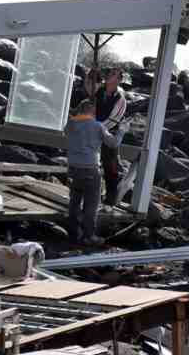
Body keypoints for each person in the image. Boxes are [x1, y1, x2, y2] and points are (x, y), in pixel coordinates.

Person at [65, 99, 129, 246]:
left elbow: (69, 132)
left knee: (74, 201)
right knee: (91, 205)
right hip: (90, 169)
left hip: (73, 169)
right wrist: (122, 131)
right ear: (93, 112)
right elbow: (113, 143)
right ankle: (89, 236)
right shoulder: (98, 126)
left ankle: (74, 233)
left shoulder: (70, 124)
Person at [83, 67, 127, 205]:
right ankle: (88, 195)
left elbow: (113, 120)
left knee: (110, 166)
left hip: (109, 132)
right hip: (95, 129)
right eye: (109, 73)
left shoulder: (121, 100)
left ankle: (110, 199)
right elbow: (89, 87)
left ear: (119, 80)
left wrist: (97, 130)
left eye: (113, 74)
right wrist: (90, 73)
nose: (109, 75)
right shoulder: (99, 90)